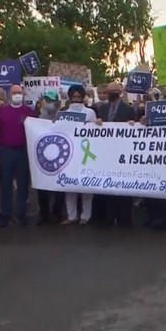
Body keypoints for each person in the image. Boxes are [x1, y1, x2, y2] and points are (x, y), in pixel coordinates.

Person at [94, 82, 136, 226]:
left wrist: (133, 124)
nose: (111, 93)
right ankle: (109, 217)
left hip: (123, 153)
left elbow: (136, 128)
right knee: (108, 186)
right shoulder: (102, 109)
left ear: (120, 92)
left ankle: (125, 218)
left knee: (124, 186)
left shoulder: (129, 110)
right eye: (108, 91)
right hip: (106, 153)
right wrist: (97, 123)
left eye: (114, 91)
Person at [0, 84, 34, 227]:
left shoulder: (28, 112)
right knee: (6, 183)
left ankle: (21, 214)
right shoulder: (3, 112)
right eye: (15, 92)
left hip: (23, 151)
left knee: (23, 183)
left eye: (19, 92)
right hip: (6, 151)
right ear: (10, 95)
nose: (17, 94)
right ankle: (5, 214)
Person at [62, 84, 97, 226]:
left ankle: (85, 216)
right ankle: (72, 216)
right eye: (74, 97)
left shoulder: (90, 112)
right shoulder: (64, 112)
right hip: (69, 152)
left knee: (86, 186)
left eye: (78, 96)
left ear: (82, 97)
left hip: (85, 151)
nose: (76, 99)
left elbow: (95, 131)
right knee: (69, 186)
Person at [35, 91, 66, 225]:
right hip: (44, 156)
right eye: (46, 100)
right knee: (42, 186)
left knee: (59, 186)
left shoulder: (63, 116)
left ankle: (57, 213)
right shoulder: (41, 116)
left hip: (60, 156)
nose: (48, 103)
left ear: (57, 102)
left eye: (50, 100)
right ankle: (44, 214)